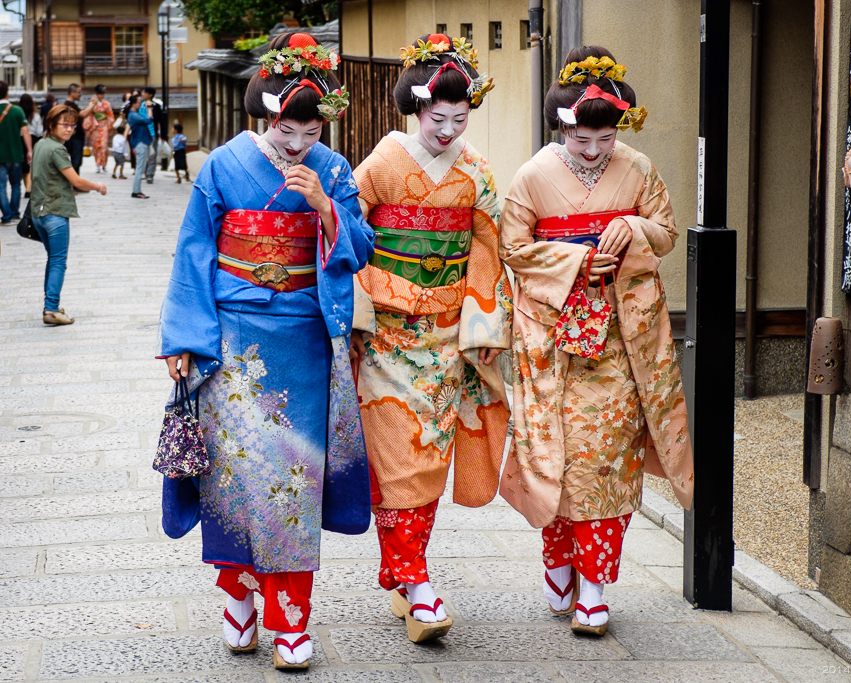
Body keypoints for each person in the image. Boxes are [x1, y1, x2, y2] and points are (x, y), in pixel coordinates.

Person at [156, 31, 374, 671]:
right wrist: (185, 340)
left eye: (311, 131)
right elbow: (194, 252)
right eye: (287, 130)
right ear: (265, 114)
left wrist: (325, 207)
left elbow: (361, 248)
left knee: (291, 481)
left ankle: (290, 619)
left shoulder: (333, 169)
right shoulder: (223, 165)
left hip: (303, 341)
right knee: (234, 474)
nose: (298, 144)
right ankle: (238, 598)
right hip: (233, 344)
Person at [498, 47, 693, 637]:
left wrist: (631, 226)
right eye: (582, 139)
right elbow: (513, 248)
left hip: (621, 337)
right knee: (559, 456)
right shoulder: (533, 176)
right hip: (554, 337)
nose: (593, 151)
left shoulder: (638, 168)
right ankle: (559, 559)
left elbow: (666, 233)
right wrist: (577, 261)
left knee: (608, 460)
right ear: (562, 127)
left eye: (605, 139)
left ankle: (594, 586)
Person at [352, 32, 510, 644]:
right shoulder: (382, 163)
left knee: (427, 462)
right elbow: (348, 237)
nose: (447, 130)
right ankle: (418, 584)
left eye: (459, 119)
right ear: (415, 109)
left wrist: (484, 325)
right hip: (388, 336)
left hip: (446, 338)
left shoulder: (476, 171)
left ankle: (402, 570)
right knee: (399, 459)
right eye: (437, 118)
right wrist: (358, 316)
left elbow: (488, 247)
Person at [32, 104, 107, 325]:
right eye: (64, 124)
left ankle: (51, 305)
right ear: (51, 124)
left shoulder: (41, 144)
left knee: (53, 259)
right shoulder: (57, 149)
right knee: (58, 261)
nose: (69, 129)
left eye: (73, 125)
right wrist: (98, 186)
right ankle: (51, 309)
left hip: (38, 213)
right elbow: (76, 181)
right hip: (55, 212)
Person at [0, 80, 30, 223]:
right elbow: (25, 132)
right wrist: (29, 150)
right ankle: (14, 213)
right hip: (16, 153)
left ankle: (6, 216)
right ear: (7, 93)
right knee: (16, 185)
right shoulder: (17, 111)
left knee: (1, 187)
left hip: (0, 156)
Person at [63, 84, 95, 175]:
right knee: (76, 162)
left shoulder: (72, 105)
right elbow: (83, 114)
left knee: (75, 161)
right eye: (79, 92)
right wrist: (93, 104)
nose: (80, 94)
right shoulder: (69, 105)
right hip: (75, 137)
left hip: (75, 136)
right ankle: (74, 182)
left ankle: (74, 181)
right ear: (72, 93)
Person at [125, 95, 151, 198]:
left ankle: (137, 190)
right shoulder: (133, 115)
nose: (141, 104)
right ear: (134, 103)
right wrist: (149, 108)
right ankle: (136, 191)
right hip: (140, 143)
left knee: (140, 168)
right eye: (139, 102)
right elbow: (148, 120)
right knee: (140, 168)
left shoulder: (134, 114)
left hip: (140, 142)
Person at [85, 85, 114, 174]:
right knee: (96, 146)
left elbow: (110, 116)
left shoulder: (107, 104)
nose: (102, 96)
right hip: (95, 126)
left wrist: (110, 127)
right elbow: (89, 115)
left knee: (104, 145)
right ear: (97, 94)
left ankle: (104, 164)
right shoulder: (92, 103)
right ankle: (97, 165)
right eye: (100, 94)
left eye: (103, 94)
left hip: (104, 126)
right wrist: (88, 127)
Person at [20, 93, 43, 199]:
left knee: (24, 166)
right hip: (33, 140)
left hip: (21, 140)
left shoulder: (19, 115)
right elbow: (39, 131)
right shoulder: (36, 115)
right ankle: (28, 189)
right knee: (31, 165)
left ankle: (27, 188)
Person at [142, 86, 163, 183]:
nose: (143, 94)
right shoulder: (139, 105)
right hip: (141, 133)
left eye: (145, 92)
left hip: (152, 133)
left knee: (152, 155)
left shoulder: (156, 106)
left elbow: (161, 121)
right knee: (143, 154)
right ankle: (144, 172)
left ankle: (150, 175)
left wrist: (163, 135)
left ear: (150, 94)